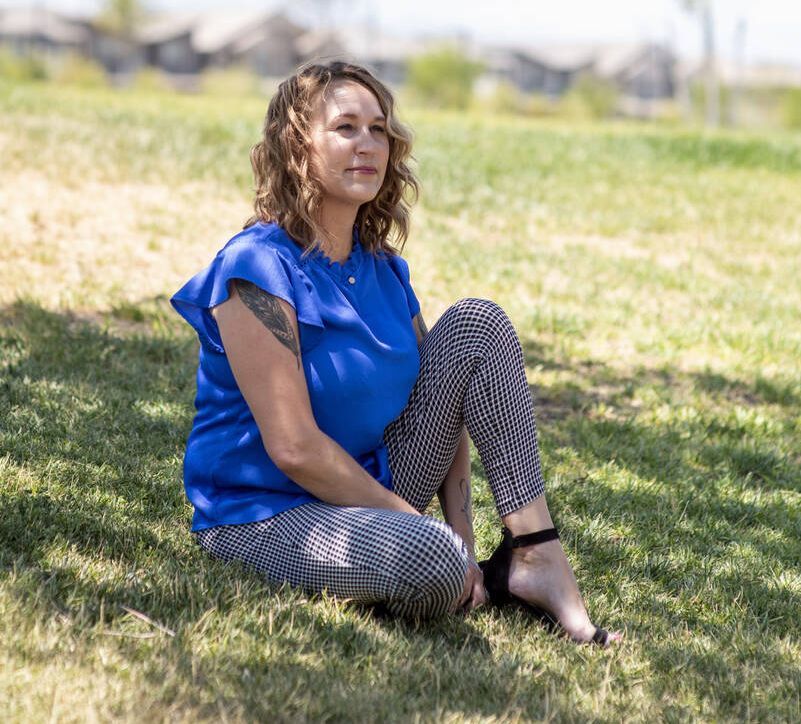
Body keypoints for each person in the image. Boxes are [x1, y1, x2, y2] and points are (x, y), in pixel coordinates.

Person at [171, 61, 620, 643]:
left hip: (371, 489)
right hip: (266, 516)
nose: (368, 145)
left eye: (378, 130)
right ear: (296, 146)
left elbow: (444, 399)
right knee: (429, 560)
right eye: (346, 128)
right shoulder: (255, 269)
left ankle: (533, 557)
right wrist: (432, 539)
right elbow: (294, 448)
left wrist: (461, 533)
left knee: (474, 326)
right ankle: (430, 553)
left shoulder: (385, 271)